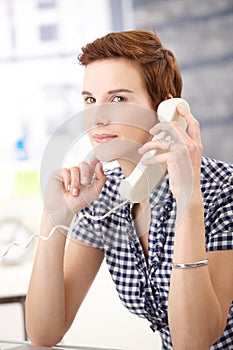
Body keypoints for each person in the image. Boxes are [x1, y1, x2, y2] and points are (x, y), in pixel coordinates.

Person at [25, 30, 233, 349]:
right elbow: (44, 333)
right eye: (90, 100)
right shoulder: (106, 196)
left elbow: (194, 342)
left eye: (118, 99)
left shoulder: (223, 189)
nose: (97, 117)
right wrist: (55, 217)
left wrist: (189, 202)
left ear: (165, 109)